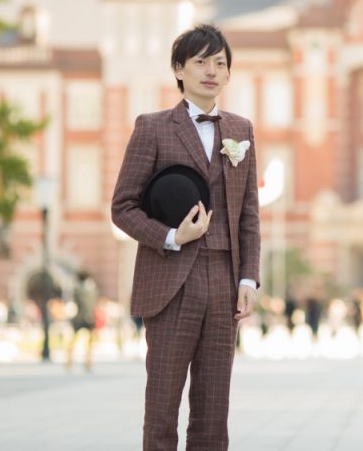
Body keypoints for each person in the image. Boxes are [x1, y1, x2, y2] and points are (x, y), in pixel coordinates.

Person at [111, 24, 261, 451]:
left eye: (220, 63)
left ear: (229, 74)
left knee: (214, 414)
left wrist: (248, 279)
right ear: (179, 69)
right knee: (162, 410)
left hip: (224, 282)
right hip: (169, 281)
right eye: (200, 61)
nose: (211, 70)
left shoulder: (241, 130)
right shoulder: (153, 127)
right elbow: (122, 207)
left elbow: (249, 213)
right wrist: (173, 235)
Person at [65, 271, 99, 372]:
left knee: (73, 341)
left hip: (78, 318)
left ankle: (69, 362)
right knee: (90, 343)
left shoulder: (76, 290)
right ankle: (88, 363)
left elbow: (73, 304)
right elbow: (95, 305)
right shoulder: (93, 290)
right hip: (90, 318)